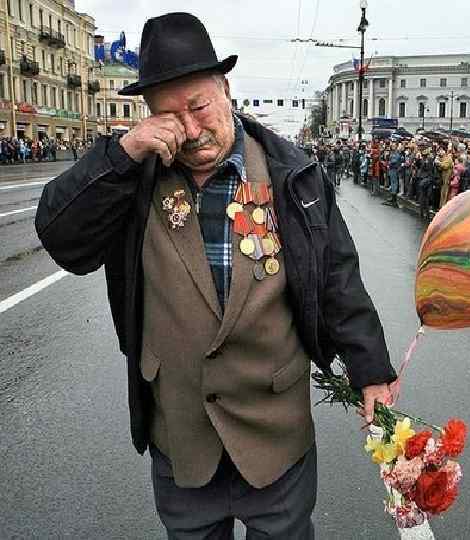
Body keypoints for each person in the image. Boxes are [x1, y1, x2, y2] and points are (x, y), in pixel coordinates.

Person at [35, 13, 396, 540]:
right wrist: (124, 152)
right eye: (169, 115)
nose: (191, 127)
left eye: (199, 106)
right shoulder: (132, 177)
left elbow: (337, 278)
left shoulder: (291, 173)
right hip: (182, 436)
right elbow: (64, 238)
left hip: (276, 434)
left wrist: (372, 372)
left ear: (226, 89)